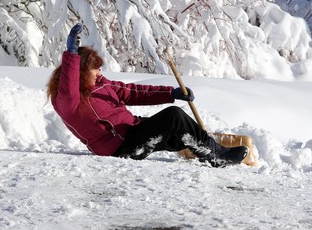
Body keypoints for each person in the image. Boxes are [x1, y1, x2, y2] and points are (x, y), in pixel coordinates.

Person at [46, 23, 249, 167]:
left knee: (176, 129)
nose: (99, 72)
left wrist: (171, 93)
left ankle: (204, 147)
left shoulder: (101, 84)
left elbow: (133, 92)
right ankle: (216, 155)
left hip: (132, 132)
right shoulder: (67, 101)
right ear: (80, 71)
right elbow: (68, 84)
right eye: (95, 69)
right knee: (173, 116)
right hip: (119, 148)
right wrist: (71, 55)